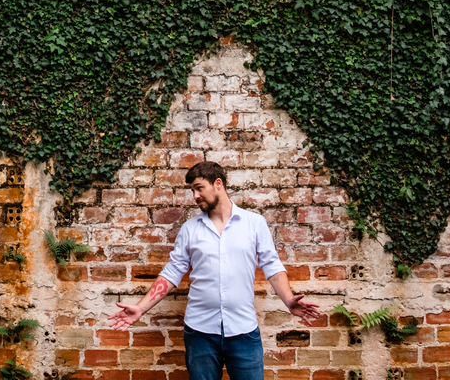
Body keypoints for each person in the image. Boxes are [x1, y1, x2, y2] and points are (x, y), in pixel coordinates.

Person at [107, 161, 320, 380]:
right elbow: (172, 272)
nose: (195, 196)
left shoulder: (254, 223)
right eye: (192, 190)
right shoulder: (190, 229)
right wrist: (141, 308)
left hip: (243, 332)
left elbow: (272, 266)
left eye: (199, 188)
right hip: (200, 333)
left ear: (217, 184)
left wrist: (288, 300)